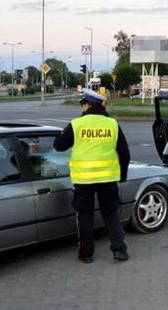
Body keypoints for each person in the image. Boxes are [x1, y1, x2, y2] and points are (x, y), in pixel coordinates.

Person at [54, 88, 131, 263]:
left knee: (85, 215)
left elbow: (58, 145)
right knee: (111, 213)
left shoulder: (77, 124)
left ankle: (86, 254)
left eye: (82, 104)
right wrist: (123, 175)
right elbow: (124, 153)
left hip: (84, 179)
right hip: (108, 178)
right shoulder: (112, 124)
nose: (81, 108)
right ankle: (119, 250)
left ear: (88, 105)